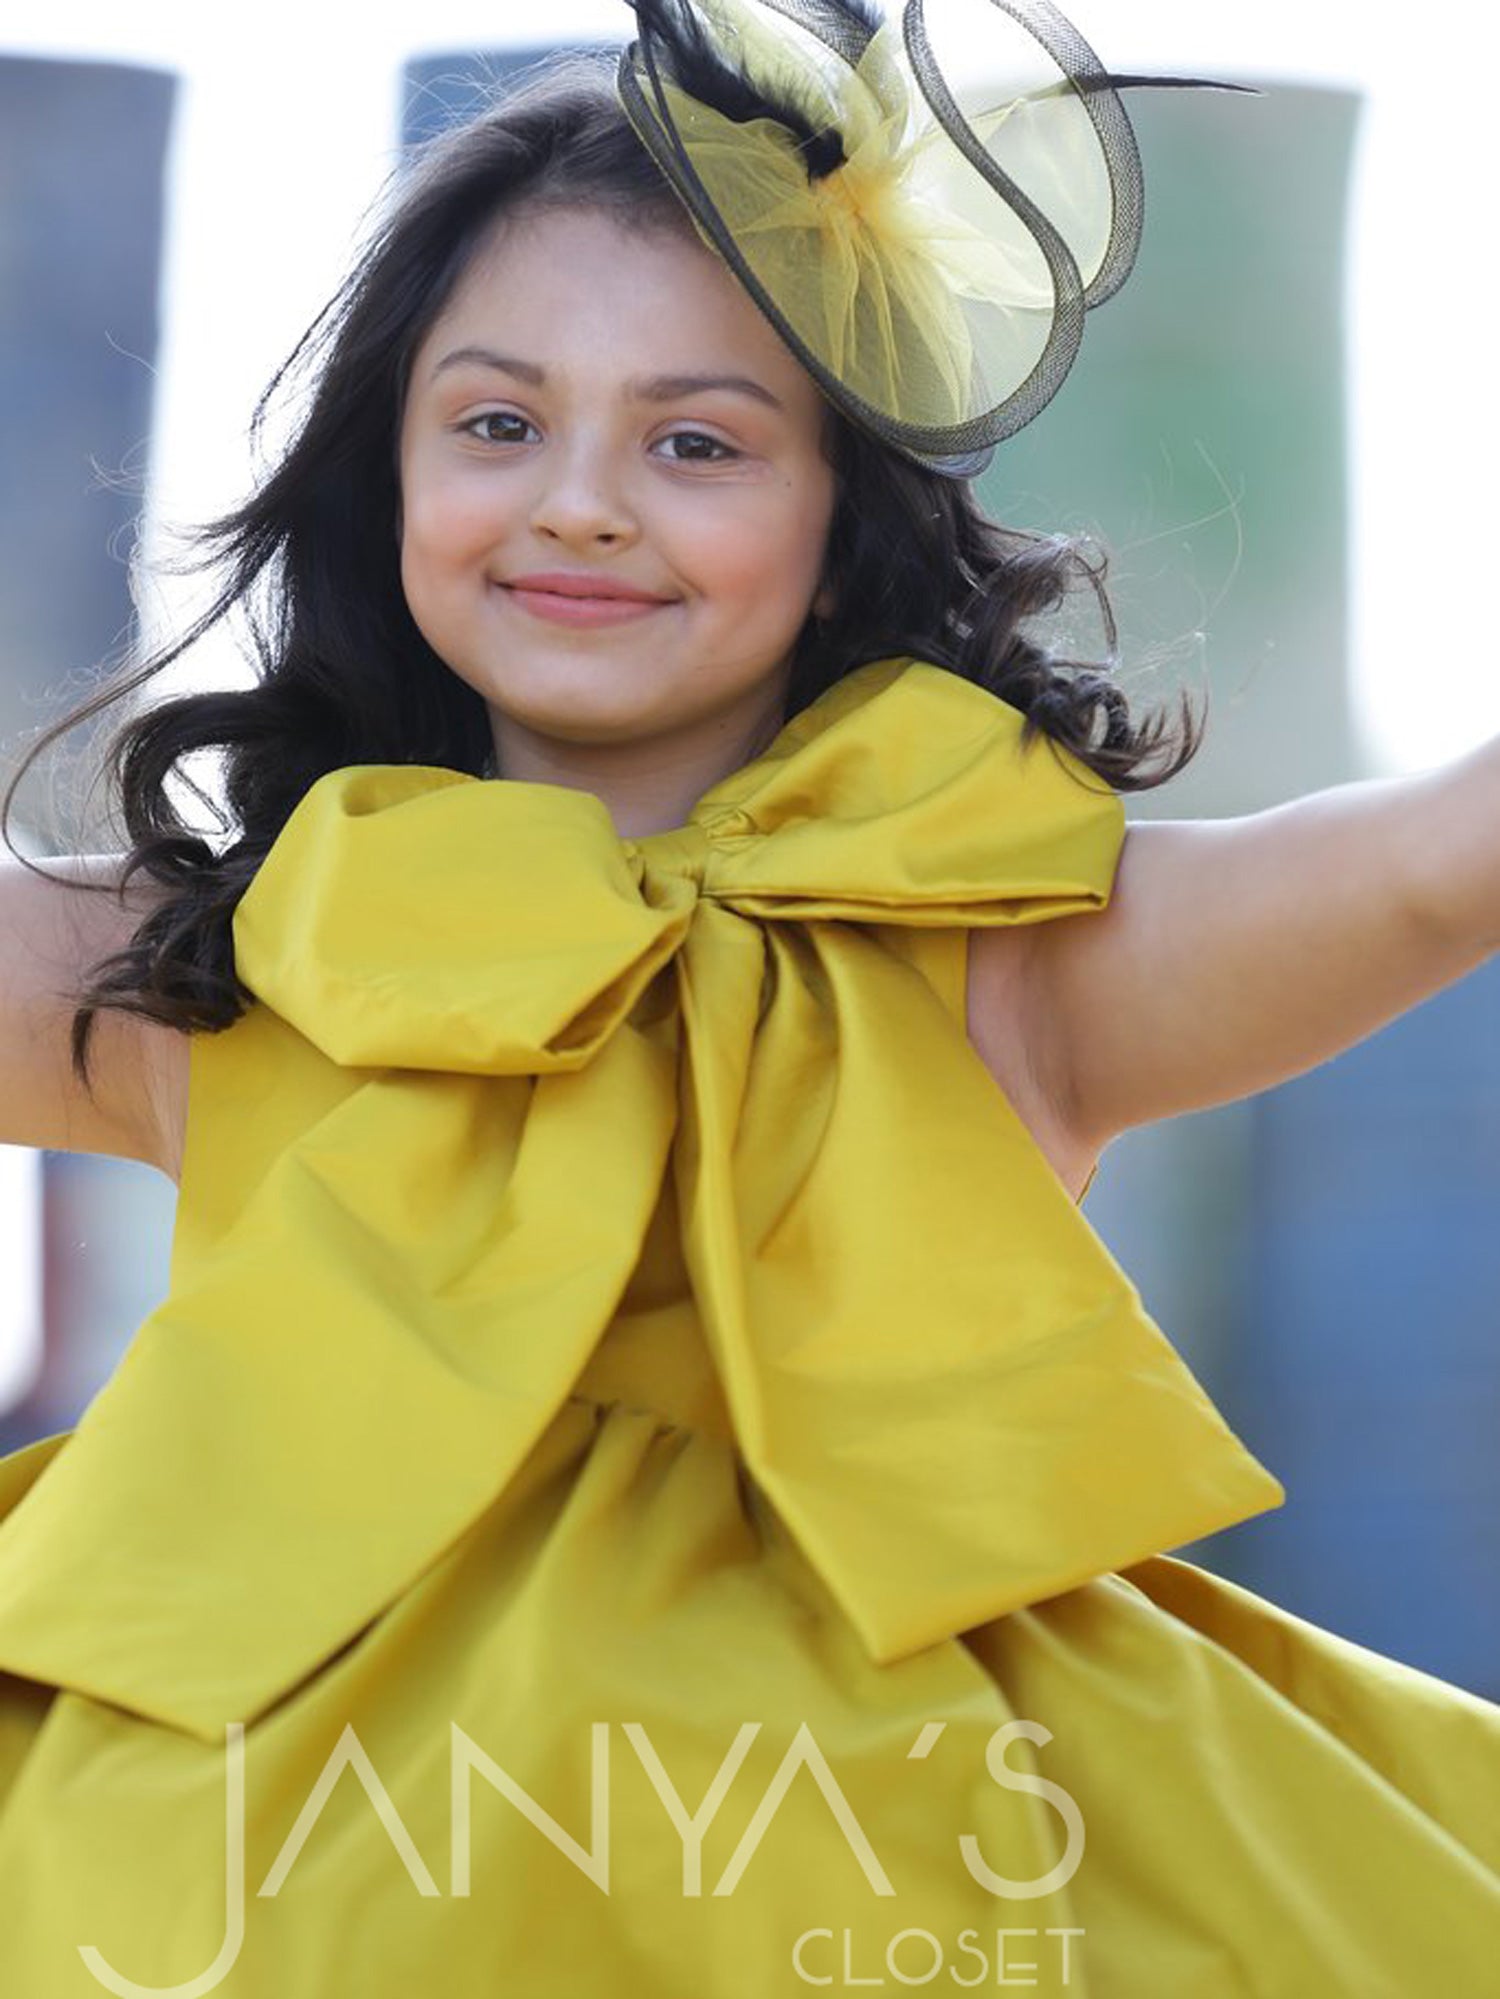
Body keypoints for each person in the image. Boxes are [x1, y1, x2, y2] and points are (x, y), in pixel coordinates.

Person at [0, 2, 1497, 1993]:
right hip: (255, 1852)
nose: (584, 501)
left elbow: (1424, 861)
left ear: (837, 509)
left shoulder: (1010, 956)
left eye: (694, 440)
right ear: (389, 475)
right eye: (499, 422)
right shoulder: (229, 965)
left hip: (899, 1871)